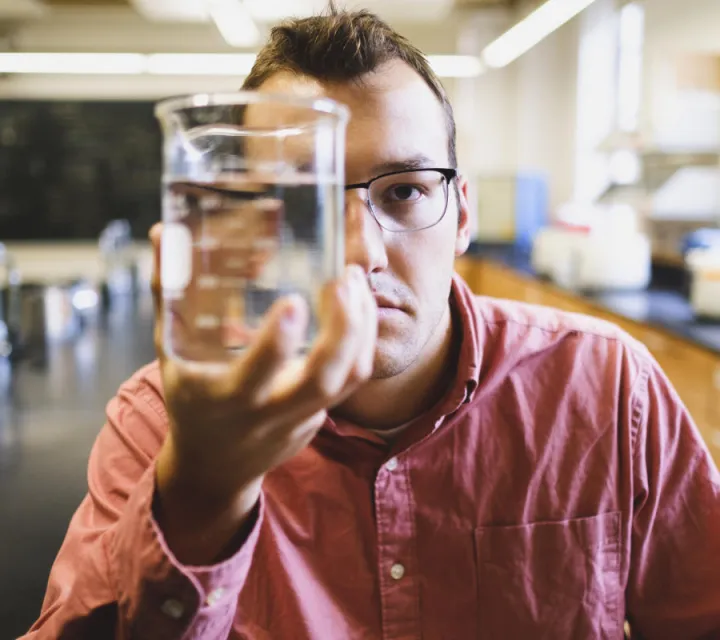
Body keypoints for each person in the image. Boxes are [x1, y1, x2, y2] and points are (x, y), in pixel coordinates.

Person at [25, 7, 720, 640]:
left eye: (406, 191)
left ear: (464, 215)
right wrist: (201, 495)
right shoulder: (165, 425)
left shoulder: (605, 391)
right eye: (308, 202)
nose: (361, 252)